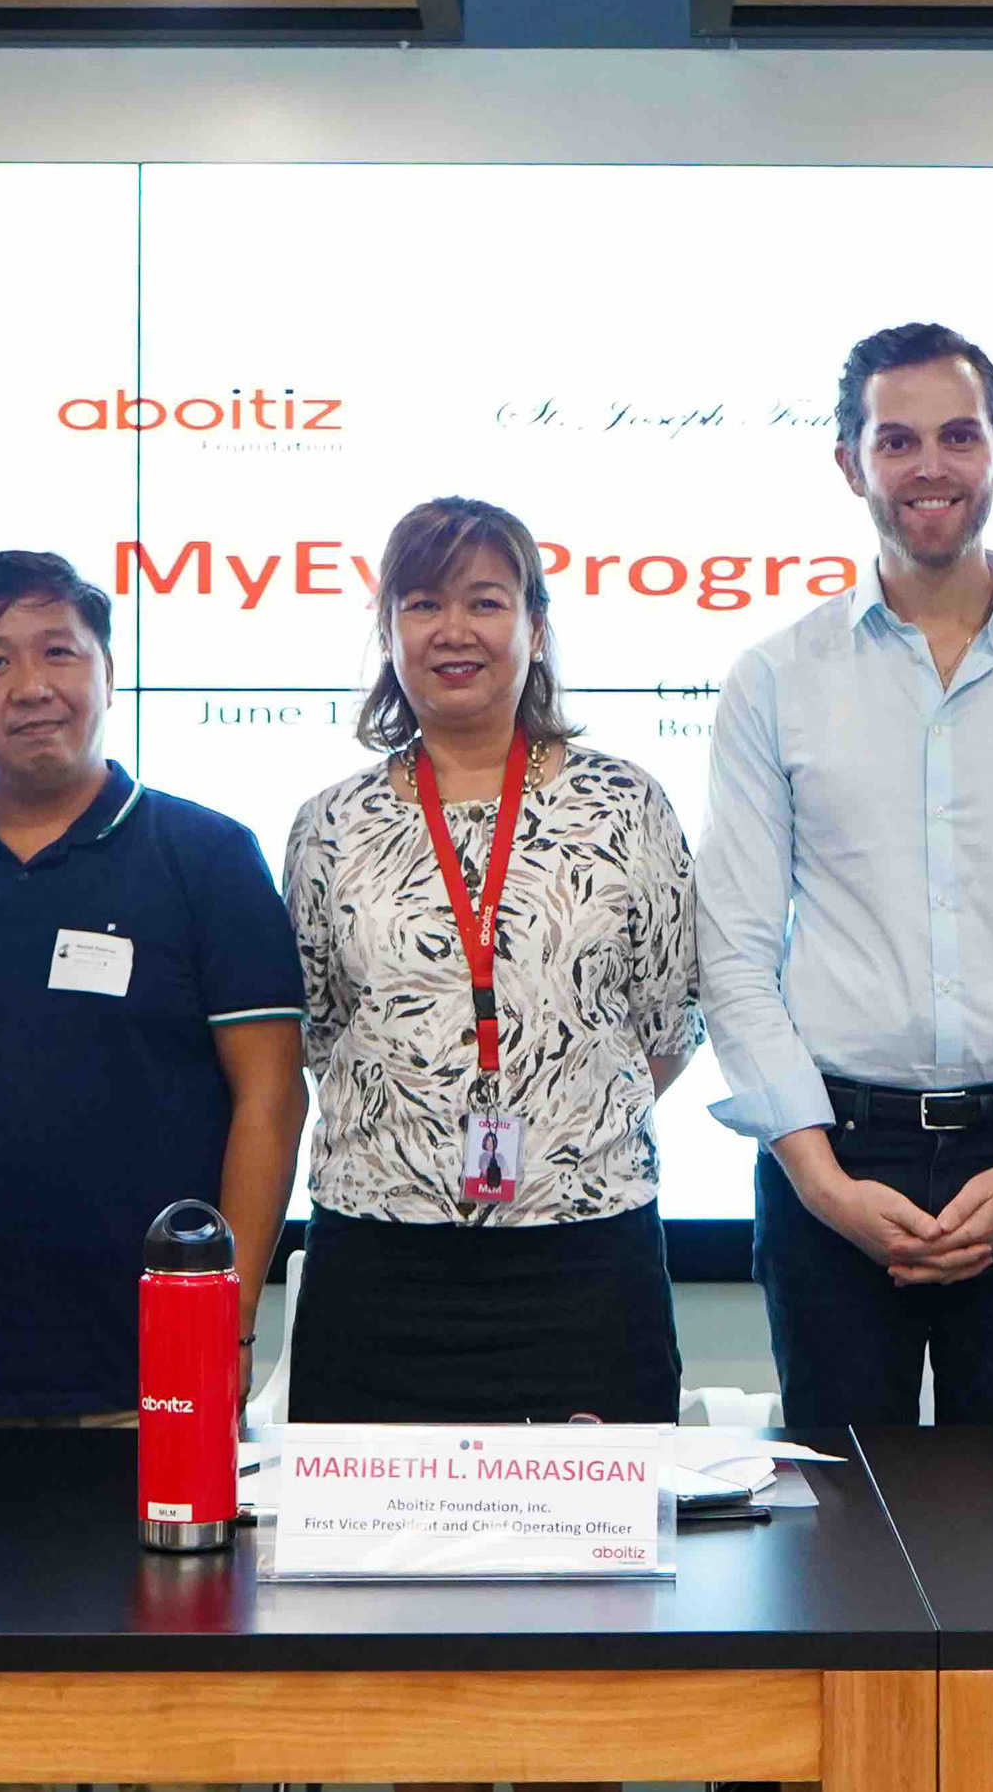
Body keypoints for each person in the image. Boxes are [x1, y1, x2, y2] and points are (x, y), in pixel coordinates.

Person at [700, 320, 993, 1427]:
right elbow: (734, 951)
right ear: (848, 462)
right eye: (896, 440)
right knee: (837, 1510)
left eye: (959, 436)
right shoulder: (774, 679)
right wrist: (820, 1181)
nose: (929, 466)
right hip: (832, 1157)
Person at [0, 550, 307, 1428]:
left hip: (151, 1373)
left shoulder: (207, 856)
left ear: (109, 674)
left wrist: (225, 1324)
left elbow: (272, 1097)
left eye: (59, 652)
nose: (30, 687)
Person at [280, 499, 700, 1422]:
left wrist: (557, 1116)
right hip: (381, 1258)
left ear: (536, 627)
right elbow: (320, 1030)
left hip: (585, 1254)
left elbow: (668, 1021)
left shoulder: (626, 805)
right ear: (387, 631)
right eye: (423, 604)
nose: (454, 630)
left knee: (599, 1516)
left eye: (485, 602)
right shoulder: (330, 825)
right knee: (366, 1515)